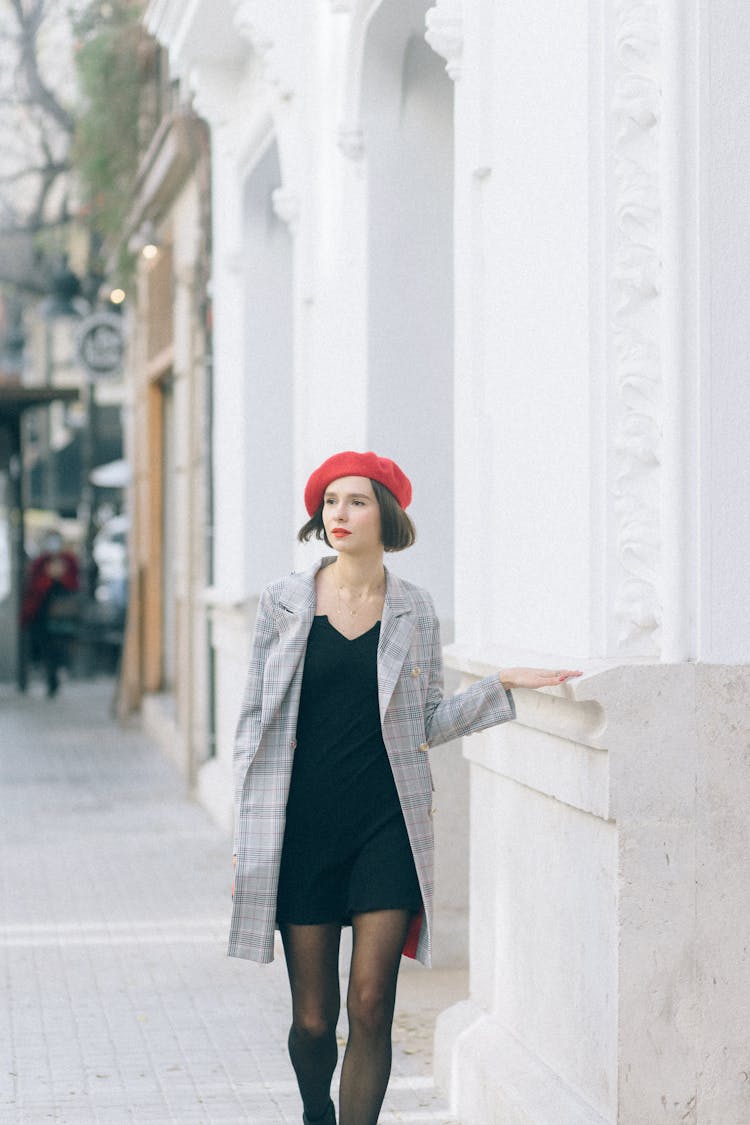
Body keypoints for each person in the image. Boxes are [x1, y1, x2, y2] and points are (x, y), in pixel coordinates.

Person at [228, 451, 581, 1125]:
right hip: (302, 827)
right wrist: (249, 832)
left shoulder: (415, 610)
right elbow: (254, 720)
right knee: (312, 1018)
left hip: (384, 827)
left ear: (385, 513)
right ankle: (315, 1112)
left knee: (370, 1004)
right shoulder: (283, 603)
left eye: (356, 501)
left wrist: (500, 684)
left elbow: (426, 722)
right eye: (331, 501)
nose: (340, 514)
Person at [21, 530, 80, 697]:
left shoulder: (69, 561)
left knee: (60, 645)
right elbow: (34, 587)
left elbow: (75, 584)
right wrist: (48, 576)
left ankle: (58, 673)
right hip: (42, 613)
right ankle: (51, 677)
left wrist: (61, 576)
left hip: (64, 615)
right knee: (47, 646)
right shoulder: (41, 562)